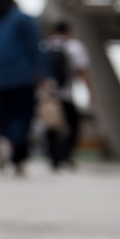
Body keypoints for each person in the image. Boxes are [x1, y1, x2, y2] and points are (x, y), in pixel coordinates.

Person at [0, 0, 47, 176]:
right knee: (23, 117)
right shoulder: (22, 19)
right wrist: (44, 74)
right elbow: (35, 48)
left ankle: (5, 142)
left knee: (4, 116)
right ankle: (16, 157)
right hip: (23, 77)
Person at [42, 21, 91, 170]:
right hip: (66, 94)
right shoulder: (74, 46)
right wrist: (90, 91)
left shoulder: (44, 46)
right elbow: (81, 70)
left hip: (48, 94)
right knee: (73, 125)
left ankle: (53, 158)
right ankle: (65, 155)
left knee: (50, 126)